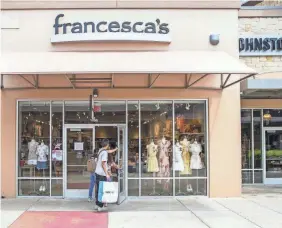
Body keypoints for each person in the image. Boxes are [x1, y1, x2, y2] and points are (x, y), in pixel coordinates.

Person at [95, 139, 118, 212]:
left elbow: (108, 151)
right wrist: (107, 174)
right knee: (101, 190)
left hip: (97, 172)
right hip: (102, 174)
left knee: (98, 189)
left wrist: (115, 149)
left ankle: (97, 204)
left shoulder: (101, 150)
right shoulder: (104, 153)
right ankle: (100, 206)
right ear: (107, 145)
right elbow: (103, 163)